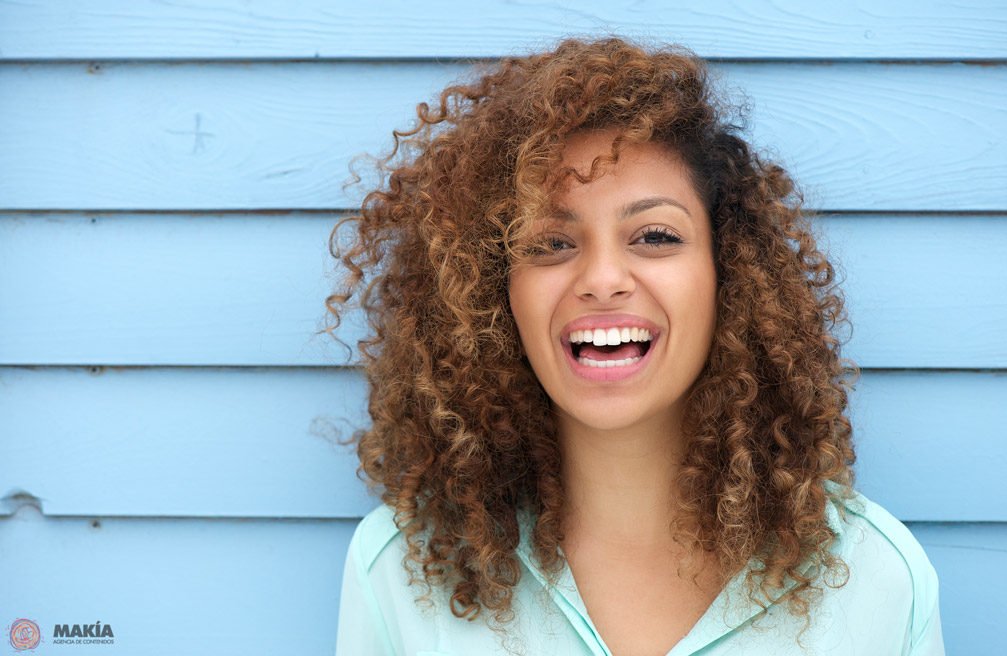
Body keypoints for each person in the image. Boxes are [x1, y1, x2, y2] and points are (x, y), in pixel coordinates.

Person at [326, 36, 944, 656]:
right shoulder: (401, 572)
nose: (601, 280)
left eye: (653, 235)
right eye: (550, 244)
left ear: (727, 274)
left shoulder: (875, 579)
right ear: (492, 295)